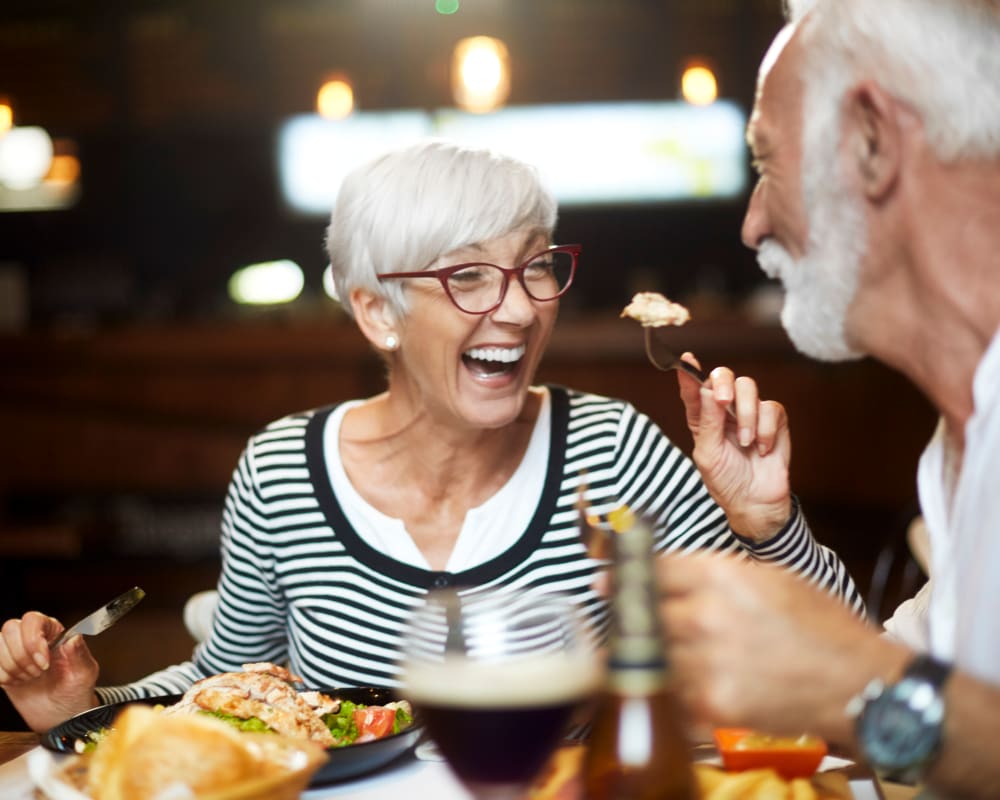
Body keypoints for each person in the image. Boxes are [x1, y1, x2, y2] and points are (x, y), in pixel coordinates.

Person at [0, 139, 861, 733]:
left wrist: (768, 525)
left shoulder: (613, 451)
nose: (521, 308)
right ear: (377, 309)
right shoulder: (281, 474)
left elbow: (855, 667)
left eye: (534, 267)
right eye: (469, 276)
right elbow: (221, 690)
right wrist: (82, 705)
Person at [660, 0, 1000, 796]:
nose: (751, 224)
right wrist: (772, 535)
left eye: (768, 165)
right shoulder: (961, 443)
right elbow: (920, 722)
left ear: (873, 142)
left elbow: (884, 701)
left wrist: (858, 685)